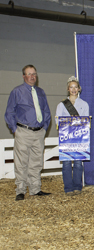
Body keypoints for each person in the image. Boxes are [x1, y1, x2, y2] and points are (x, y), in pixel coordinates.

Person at [5, 65, 52, 201]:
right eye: (29, 74)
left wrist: (44, 129)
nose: (32, 77)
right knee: (21, 162)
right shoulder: (17, 92)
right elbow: (9, 112)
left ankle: (35, 189)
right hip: (23, 131)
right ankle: (20, 190)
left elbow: (46, 112)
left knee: (37, 162)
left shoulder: (41, 92)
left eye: (34, 74)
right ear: (24, 76)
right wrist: (15, 130)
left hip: (38, 132)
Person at [55, 76, 89, 195]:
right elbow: (57, 120)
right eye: (71, 87)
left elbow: (86, 121)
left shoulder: (84, 104)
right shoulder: (62, 105)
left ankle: (77, 187)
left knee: (79, 163)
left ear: (79, 89)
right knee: (66, 163)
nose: (73, 89)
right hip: (67, 137)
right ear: (68, 89)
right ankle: (68, 187)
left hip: (79, 136)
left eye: (76, 87)